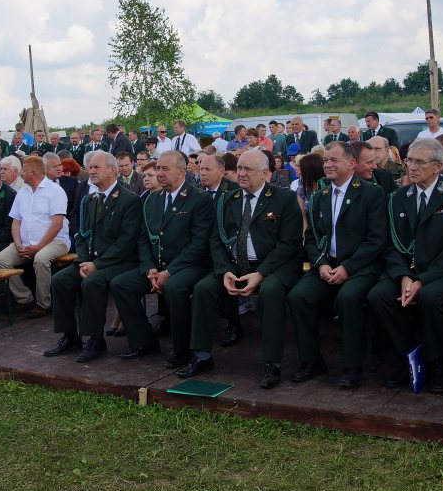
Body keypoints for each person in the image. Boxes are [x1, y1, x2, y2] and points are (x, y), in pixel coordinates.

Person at [184, 150, 302, 388]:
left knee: (270, 292)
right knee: (204, 288)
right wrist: (224, 270)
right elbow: (216, 239)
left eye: (248, 169)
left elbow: (289, 244)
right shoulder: (230, 199)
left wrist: (261, 273)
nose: (241, 173)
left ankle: (272, 363)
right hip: (236, 265)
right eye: (239, 168)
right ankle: (202, 355)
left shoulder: (284, 199)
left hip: (272, 266)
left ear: (265, 173)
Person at [368, 138, 443, 392]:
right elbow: (390, 244)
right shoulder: (397, 198)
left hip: (441, 271)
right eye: (409, 161)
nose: (411, 167)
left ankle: (435, 362)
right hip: (407, 270)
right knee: (378, 295)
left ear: (437, 166)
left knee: (431, 297)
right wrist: (404, 277)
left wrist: (422, 280)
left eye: (419, 162)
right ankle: (409, 358)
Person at [288, 141, 386, 388]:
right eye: (326, 160)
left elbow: (376, 240)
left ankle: (352, 366)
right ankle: (311, 360)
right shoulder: (320, 196)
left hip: (360, 267)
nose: (328, 165)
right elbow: (310, 238)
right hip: (326, 265)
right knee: (299, 295)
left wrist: (348, 268)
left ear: (351, 164)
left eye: (333, 160)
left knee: (348, 298)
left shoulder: (371, 193)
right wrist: (320, 264)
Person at [111, 151, 213, 365]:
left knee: (174, 287)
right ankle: (143, 341)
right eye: (158, 169)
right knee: (121, 283)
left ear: (182, 172)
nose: (159, 173)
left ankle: (182, 349)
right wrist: (149, 268)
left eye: (165, 169)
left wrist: (169, 272)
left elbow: (199, 244)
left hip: (189, 266)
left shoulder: (199, 199)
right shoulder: (152, 200)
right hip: (157, 266)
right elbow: (143, 239)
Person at [45, 151, 142, 362]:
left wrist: (96, 264)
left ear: (113, 170)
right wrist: (83, 260)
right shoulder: (90, 200)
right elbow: (81, 234)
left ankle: (95, 339)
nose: (91, 170)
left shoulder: (129, 200)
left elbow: (126, 242)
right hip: (89, 260)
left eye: (97, 167)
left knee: (93, 282)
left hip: (119, 262)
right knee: (60, 280)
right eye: (90, 167)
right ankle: (69, 336)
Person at [0, 156, 70, 318]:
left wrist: (38, 247)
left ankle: (44, 303)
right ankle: (24, 298)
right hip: (26, 242)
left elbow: (57, 225)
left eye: (23, 170)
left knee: (41, 259)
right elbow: (16, 222)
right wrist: (19, 243)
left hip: (56, 241)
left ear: (33, 173)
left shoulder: (55, 191)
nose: (21, 173)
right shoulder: (23, 192)